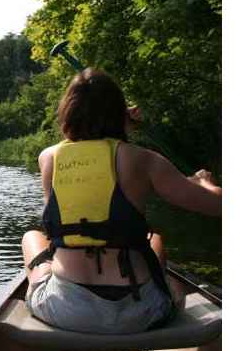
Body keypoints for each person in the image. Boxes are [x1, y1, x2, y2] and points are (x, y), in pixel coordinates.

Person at [22, 68, 222, 336]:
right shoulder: (145, 159)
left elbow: (88, 150)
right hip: (140, 313)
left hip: (67, 311)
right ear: (119, 114)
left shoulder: (48, 158)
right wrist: (204, 183)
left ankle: (43, 288)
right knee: (155, 240)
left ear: (67, 112)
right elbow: (217, 206)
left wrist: (117, 122)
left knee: (32, 237)